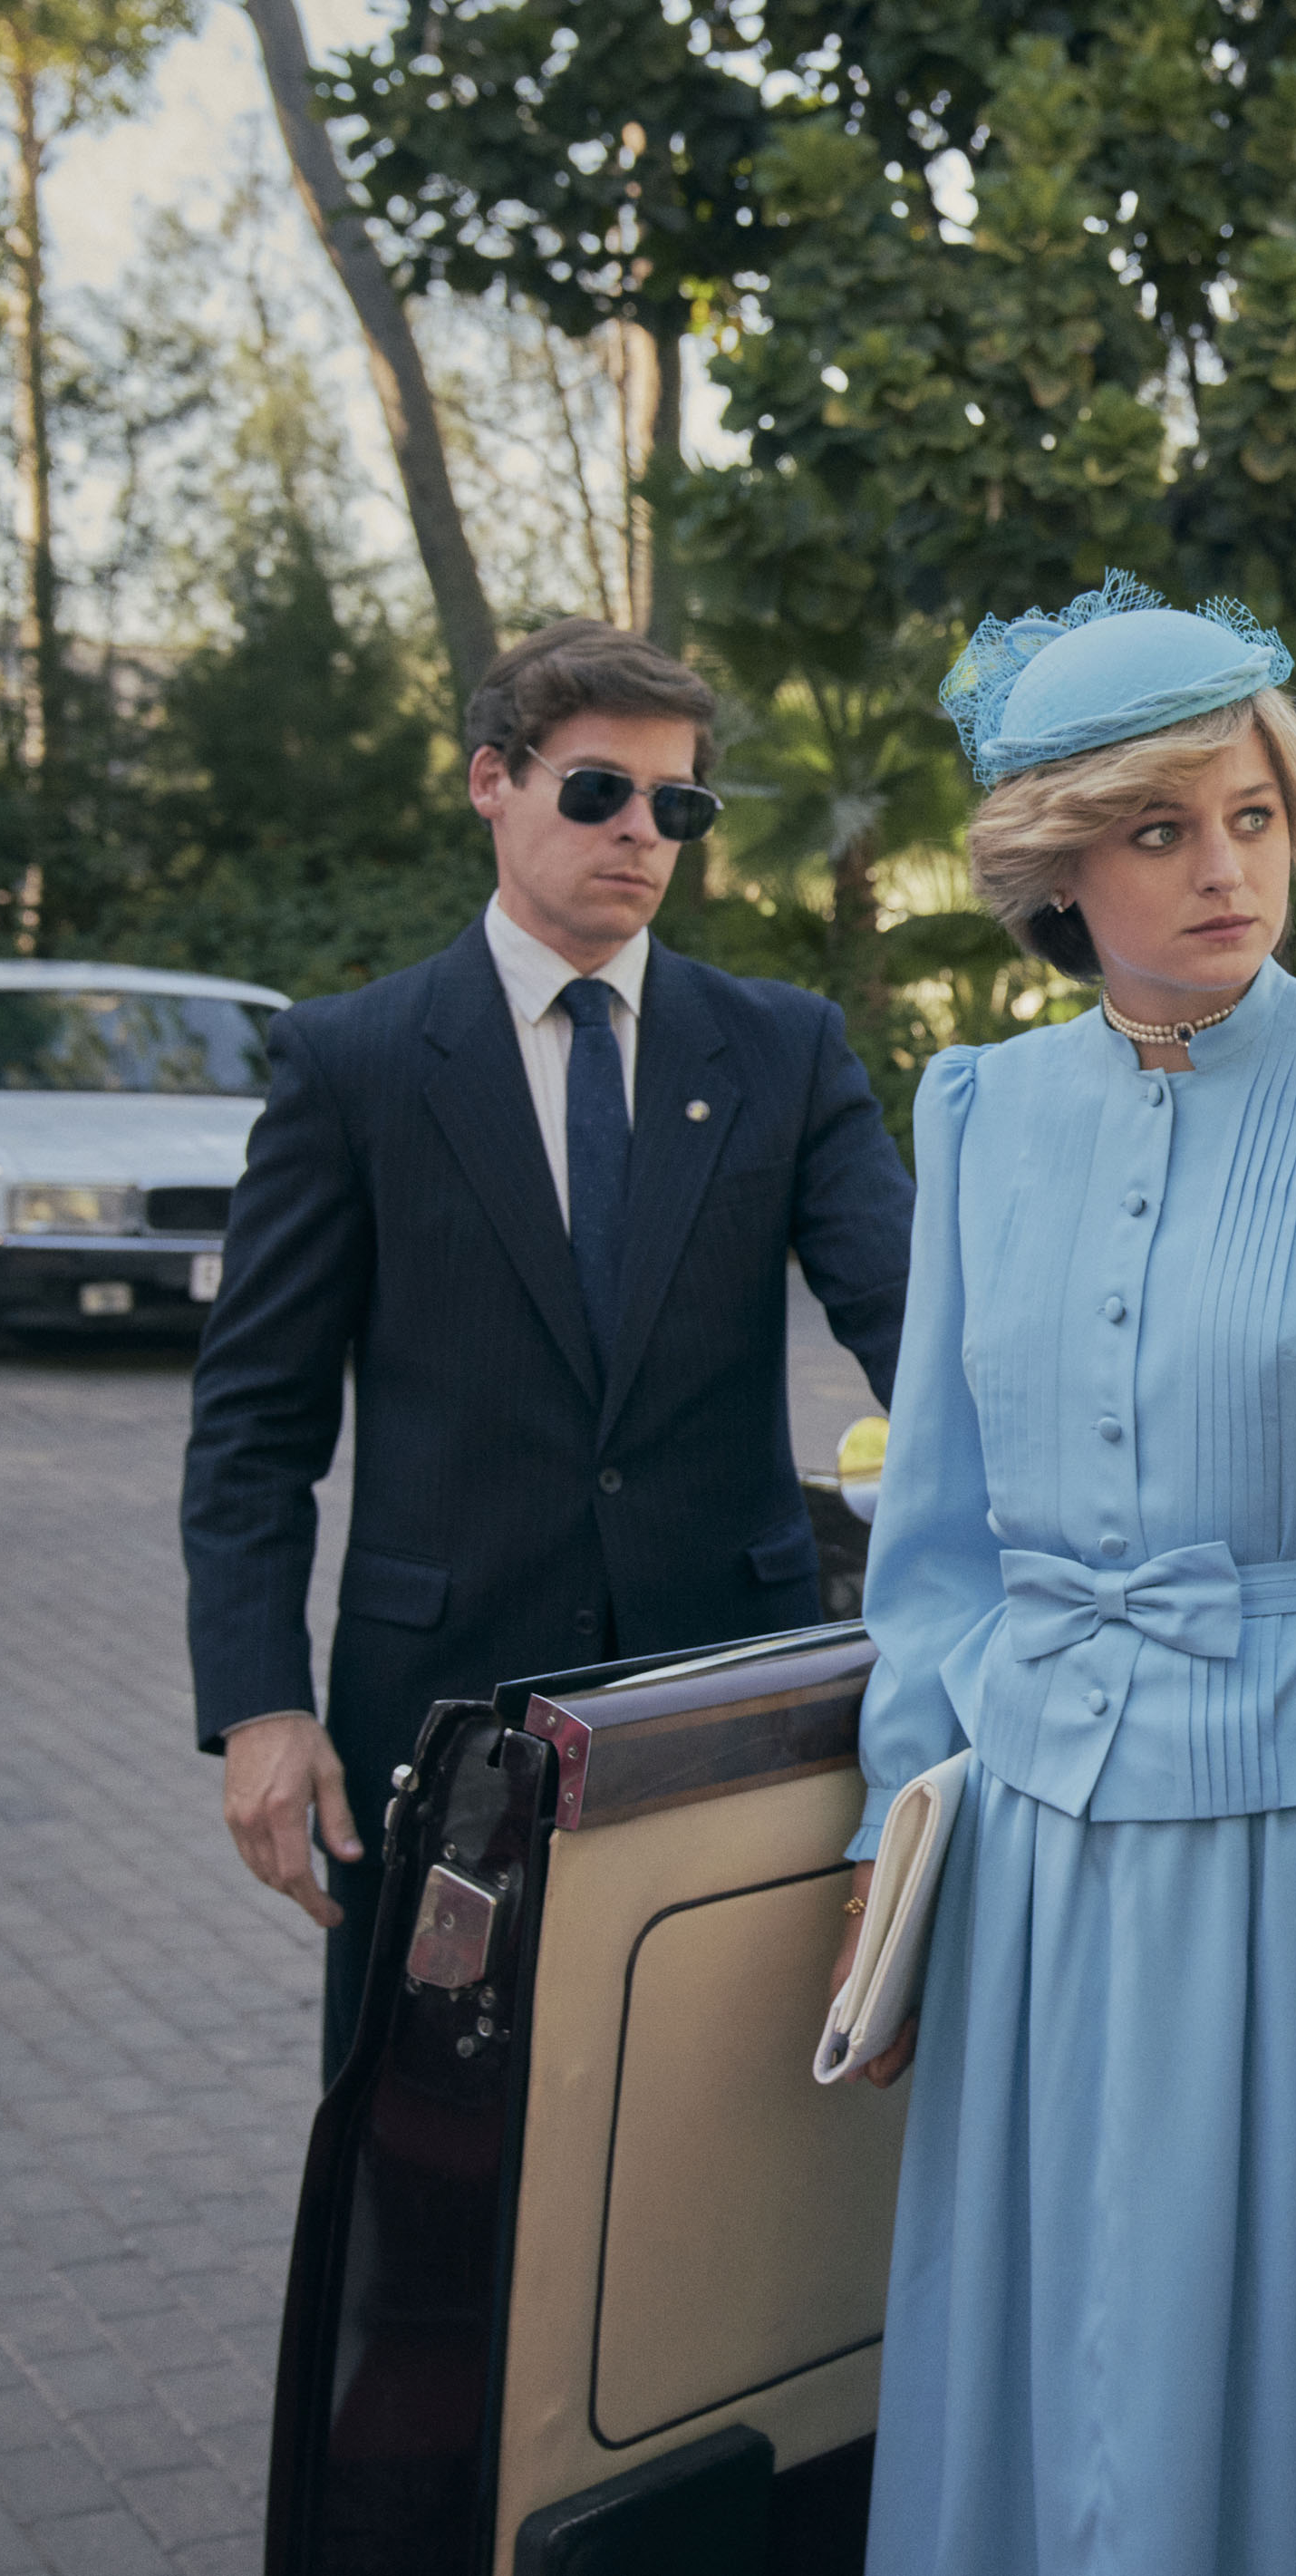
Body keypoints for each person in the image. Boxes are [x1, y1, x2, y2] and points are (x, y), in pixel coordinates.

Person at [836, 577, 1296, 2575]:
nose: (1227, 868)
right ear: (1055, 866)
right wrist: (888, 1855)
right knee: (1064, 2350)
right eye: (1161, 829)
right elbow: (937, 1532)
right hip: (1033, 1862)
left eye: (1254, 816)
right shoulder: (977, 1108)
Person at [184, 618, 916, 2081]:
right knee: (429, 2127)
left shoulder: (783, 1051)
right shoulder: (355, 1062)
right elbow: (254, 1424)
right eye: (598, 790)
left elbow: (919, 1332)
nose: (642, 831)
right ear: (491, 782)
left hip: (721, 1699)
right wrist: (261, 1703)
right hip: (445, 1718)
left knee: (702, 2119)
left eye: (679, 803)